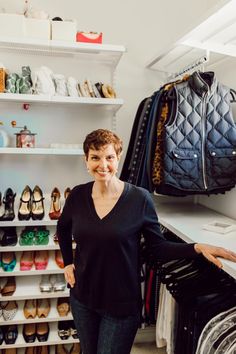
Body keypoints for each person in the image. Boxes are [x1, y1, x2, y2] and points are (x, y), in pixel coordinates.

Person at [57, 129, 236, 354]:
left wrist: (197, 248)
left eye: (109, 157)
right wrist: (67, 263)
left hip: (121, 305)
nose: (103, 165)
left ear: (118, 158)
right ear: (86, 160)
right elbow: (62, 227)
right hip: (83, 298)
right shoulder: (77, 196)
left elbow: (158, 249)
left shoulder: (139, 199)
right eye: (95, 157)